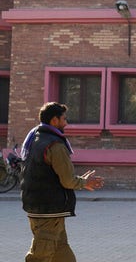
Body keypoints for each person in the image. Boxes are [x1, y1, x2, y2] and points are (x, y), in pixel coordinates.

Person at [21, 102, 105, 262]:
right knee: (40, 257)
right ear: (54, 120)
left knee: (63, 256)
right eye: (64, 119)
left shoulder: (34, 138)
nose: (66, 123)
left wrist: (81, 181)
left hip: (41, 208)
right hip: (48, 212)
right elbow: (67, 181)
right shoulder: (55, 145)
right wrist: (84, 182)